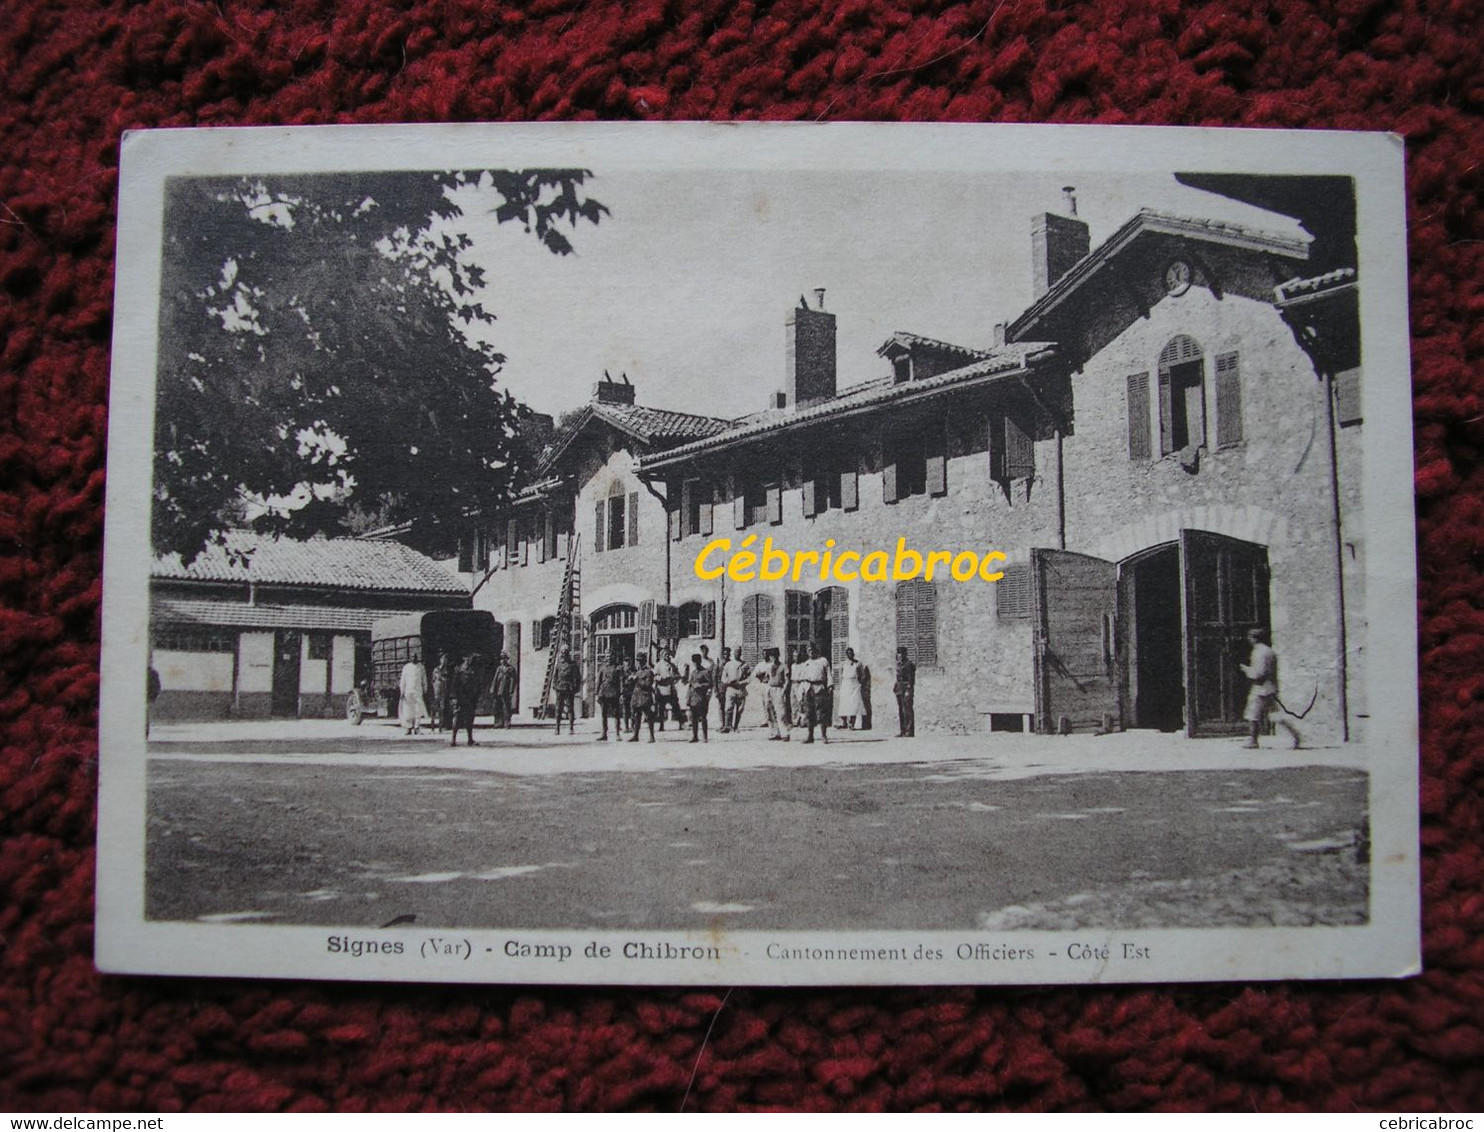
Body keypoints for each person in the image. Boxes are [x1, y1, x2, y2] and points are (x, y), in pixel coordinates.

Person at [1240, 628, 1302, 749]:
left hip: (1260, 688)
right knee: (1274, 715)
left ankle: (1252, 740)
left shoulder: (1259, 652)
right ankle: (1295, 734)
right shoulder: (1270, 651)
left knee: (1252, 714)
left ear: (1254, 638)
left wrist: (1247, 670)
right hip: (1271, 687)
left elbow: (1259, 673)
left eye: (1250, 637)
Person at [450, 652, 486, 747]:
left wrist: (477, 696)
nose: (468, 660)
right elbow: (454, 685)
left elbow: (478, 685)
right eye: (467, 658)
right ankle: (453, 739)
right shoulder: (458, 670)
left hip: (471, 698)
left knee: (470, 719)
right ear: (464, 658)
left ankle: (470, 739)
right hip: (460, 698)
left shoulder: (474, 671)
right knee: (457, 719)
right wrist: (454, 698)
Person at [799, 642, 833, 744]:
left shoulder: (823, 661)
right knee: (809, 713)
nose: (811, 652)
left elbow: (829, 674)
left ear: (816, 650)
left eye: (812, 650)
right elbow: (803, 679)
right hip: (808, 688)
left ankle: (823, 735)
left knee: (821, 712)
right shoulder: (806, 663)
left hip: (819, 688)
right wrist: (802, 692)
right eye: (809, 650)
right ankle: (810, 736)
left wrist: (830, 686)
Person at [755, 647, 790, 742]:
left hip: (779, 689)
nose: (773, 658)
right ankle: (775, 732)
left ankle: (785, 733)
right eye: (771, 656)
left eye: (775, 656)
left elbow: (787, 680)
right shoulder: (769, 666)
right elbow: (762, 676)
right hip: (769, 688)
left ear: (778, 656)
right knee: (769, 711)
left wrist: (784, 691)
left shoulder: (783, 666)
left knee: (781, 712)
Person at [399, 651, 429, 735]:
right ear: (410, 658)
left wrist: (425, 689)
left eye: (415, 657)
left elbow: (424, 679)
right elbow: (403, 680)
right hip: (408, 692)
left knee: (418, 710)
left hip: (418, 691)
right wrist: (402, 691)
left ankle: (417, 728)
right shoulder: (406, 667)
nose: (414, 658)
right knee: (408, 710)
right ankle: (408, 728)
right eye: (412, 657)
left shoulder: (421, 667)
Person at [629, 656, 657, 743]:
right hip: (637, 696)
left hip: (645, 696)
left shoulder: (648, 672)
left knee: (649, 717)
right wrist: (631, 680)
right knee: (637, 716)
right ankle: (635, 735)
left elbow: (648, 684)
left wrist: (638, 680)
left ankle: (652, 736)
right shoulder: (637, 672)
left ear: (644, 661)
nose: (639, 663)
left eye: (640, 661)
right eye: (638, 661)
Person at [596, 653, 624, 740]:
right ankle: (604, 733)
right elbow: (598, 680)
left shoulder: (618, 668)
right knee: (604, 714)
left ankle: (617, 733)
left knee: (616, 714)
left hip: (614, 693)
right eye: (607, 656)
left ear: (613, 657)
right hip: (603, 692)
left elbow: (621, 681)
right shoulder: (602, 667)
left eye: (610, 656)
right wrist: (597, 693)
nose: (609, 658)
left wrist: (621, 693)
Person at [686, 652, 713, 743]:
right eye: (694, 662)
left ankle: (705, 737)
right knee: (694, 719)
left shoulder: (705, 672)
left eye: (697, 662)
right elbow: (690, 686)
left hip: (702, 698)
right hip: (693, 699)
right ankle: (695, 736)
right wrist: (688, 698)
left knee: (703, 718)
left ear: (700, 661)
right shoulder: (693, 673)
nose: (695, 664)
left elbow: (710, 684)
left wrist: (700, 685)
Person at [552, 648, 580, 735]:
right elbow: (555, 676)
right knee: (558, 708)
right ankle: (557, 728)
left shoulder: (573, 665)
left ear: (568, 655)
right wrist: (555, 685)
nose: (563, 656)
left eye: (565, 654)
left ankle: (571, 728)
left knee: (570, 708)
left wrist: (575, 688)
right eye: (562, 654)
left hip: (569, 688)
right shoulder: (559, 665)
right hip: (560, 688)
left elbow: (577, 677)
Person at [836, 647, 866, 729]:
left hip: (854, 684)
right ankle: (844, 722)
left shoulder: (858, 663)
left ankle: (852, 723)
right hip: (846, 684)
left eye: (851, 653)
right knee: (844, 704)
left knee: (854, 704)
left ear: (853, 654)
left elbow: (862, 675)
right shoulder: (843, 664)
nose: (850, 655)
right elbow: (841, 674)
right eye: (848, 653)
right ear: (846, 655)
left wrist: (859, 683)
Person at [718, 647, 745, 732]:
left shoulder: (744, 665)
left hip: (741, 689)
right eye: (736, 652)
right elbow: (723, 677)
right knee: (728, 708)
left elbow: (749, 677)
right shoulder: (729, 664)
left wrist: (742, 683)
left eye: (739, 652)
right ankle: (727, 726)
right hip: (731, 688)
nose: (738, 653)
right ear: (734, 653)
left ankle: (736, 726)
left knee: (739, 709)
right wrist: (729, 682)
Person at [653, 649, 681, 731]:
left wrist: (675, 678)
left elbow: (677, 675)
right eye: (665, 654)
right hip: (662, 689)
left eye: (667, 654)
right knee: (661, 708)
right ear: (661, 656)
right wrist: (660, 678)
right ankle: (661, 725)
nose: (667, 656)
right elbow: (654, 676)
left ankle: (680, 723)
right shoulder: (658, 665)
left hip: (671, 689)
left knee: (676, 707)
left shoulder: (672, 665)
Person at [893, 646, 916, 738]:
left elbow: (911, 679)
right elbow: (898, 677)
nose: (900, 656)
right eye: (899, 654)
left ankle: (909, 731)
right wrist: (895, 687)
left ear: (905, 654)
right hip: (899, 688)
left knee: (908, 710)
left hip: (906, 688)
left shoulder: (909, 664)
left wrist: (909, 690)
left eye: (902, 654)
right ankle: (902, 730)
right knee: (901, 710)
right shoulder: (899, 664)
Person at [491, 652, 516, 728]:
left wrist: (511, 690)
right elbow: (495, 679)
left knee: (506, 707)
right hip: (497, 690)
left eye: (504, 658)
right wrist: (492, 689)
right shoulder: (499, 669)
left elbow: (513, 680)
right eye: (501, 659)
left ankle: (507, 723)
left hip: (506, 690)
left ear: (507, 659)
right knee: (497, 707)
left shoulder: (511, 669)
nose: (502, 660)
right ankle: (498, 723)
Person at [431, 654, 454, 732]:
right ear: (440, 660)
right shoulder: (436, 669)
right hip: (437, 692)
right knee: (435, 709)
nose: (444, 661)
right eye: (443, 659)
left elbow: (448, 680)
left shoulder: (447, 670)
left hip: (445, 692)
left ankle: (442, 726)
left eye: (446, 659)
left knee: (443, 709)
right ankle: (433, 726)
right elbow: (433, 680)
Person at [146, 663, 161, 738]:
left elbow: (156, 686)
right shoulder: (152, 672)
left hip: (148, 699)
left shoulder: (151, 673)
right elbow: (157, 687)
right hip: (148, 699)